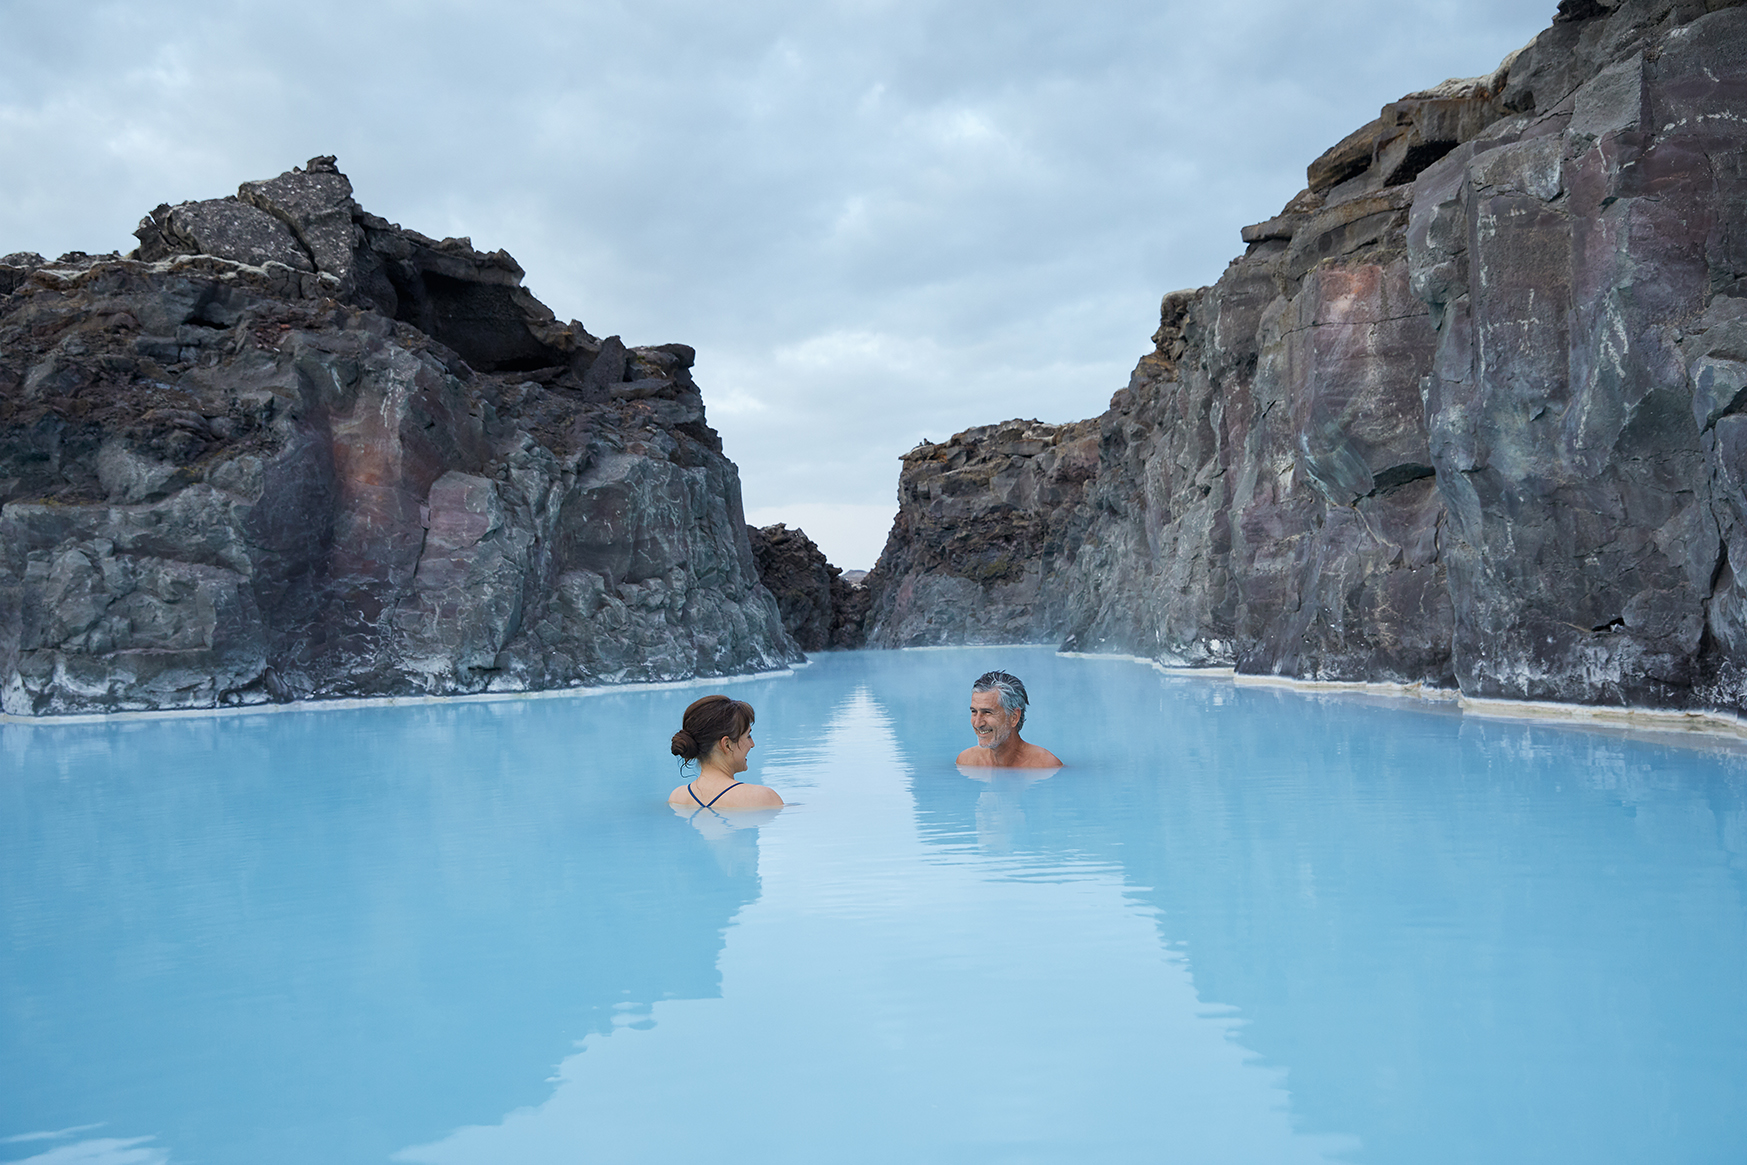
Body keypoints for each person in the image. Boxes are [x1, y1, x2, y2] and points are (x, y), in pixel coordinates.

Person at [668, 694, 784, 810]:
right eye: (748, 736)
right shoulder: (762, 798)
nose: (752, 744)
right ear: (727, 745)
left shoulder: (677, 797)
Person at [955, 670, 1062, 769]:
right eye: (974, 712)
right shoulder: (967, 762)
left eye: (987, 712)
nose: (977, 723)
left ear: (1013, 717)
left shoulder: (1045, 766)